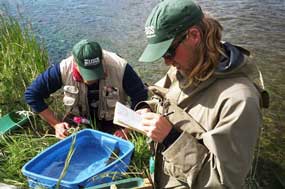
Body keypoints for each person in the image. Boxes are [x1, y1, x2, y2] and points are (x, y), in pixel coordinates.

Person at [137, 0, 268, 188]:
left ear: (194, 35)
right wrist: (146, 108)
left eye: (168, 51)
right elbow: (160, 95)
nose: (167, 62)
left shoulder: (240, 101)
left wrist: (171, 139)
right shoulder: (183, 66)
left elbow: (224, 183)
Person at [25, 39, 148, 139]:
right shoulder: (63, 69)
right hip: (78, 121)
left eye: (97, 71)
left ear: (102, 61)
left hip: (112, 122)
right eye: (87, 72)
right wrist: (56, 124)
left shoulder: (120, 67)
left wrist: (127, 130)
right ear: (75, 63)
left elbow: (140, 98)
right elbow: (32, 95)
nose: (92, 79)